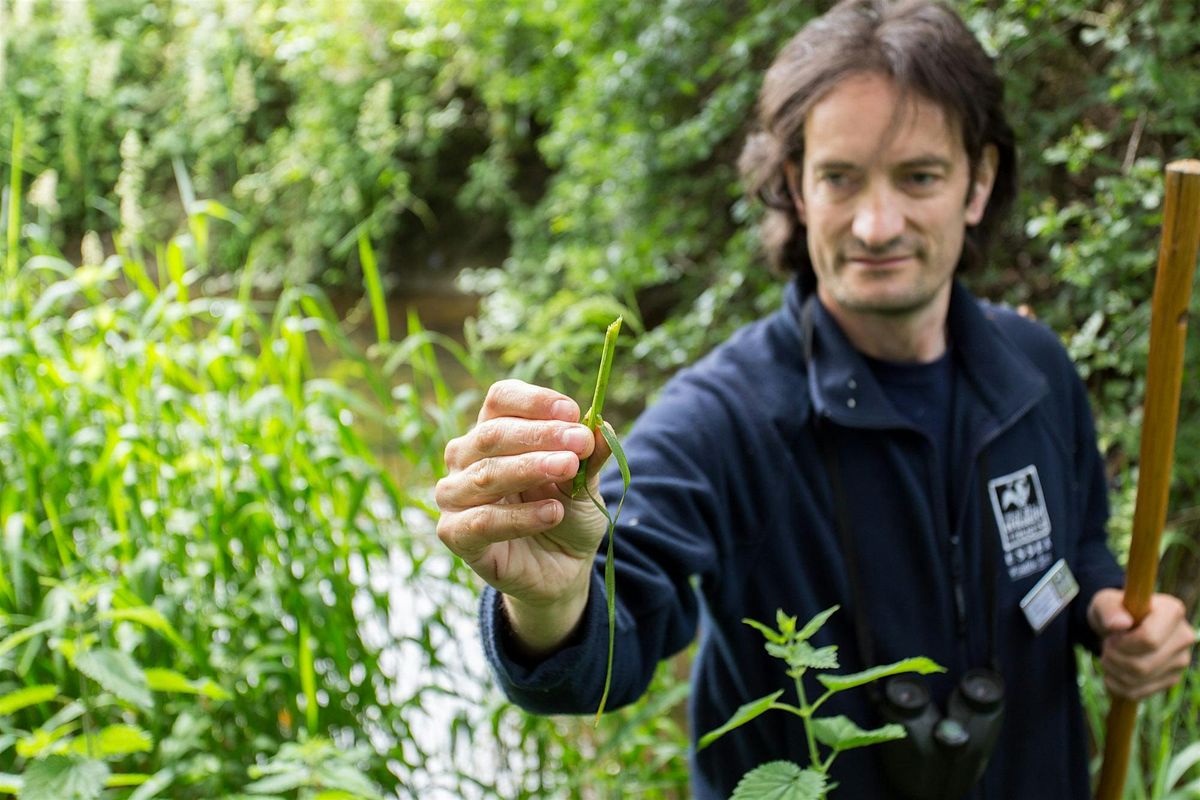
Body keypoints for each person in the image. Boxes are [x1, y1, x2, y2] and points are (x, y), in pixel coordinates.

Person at [434, 1, 1196, 796]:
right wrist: (552, 602)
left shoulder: (1035, 370)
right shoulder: (724, 419)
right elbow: (603, 652)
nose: (875, 224)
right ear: (795, 187)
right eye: (839, 177)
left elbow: (1076, 553)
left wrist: (1110, 613)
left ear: (980, 182)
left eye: (919, 176)